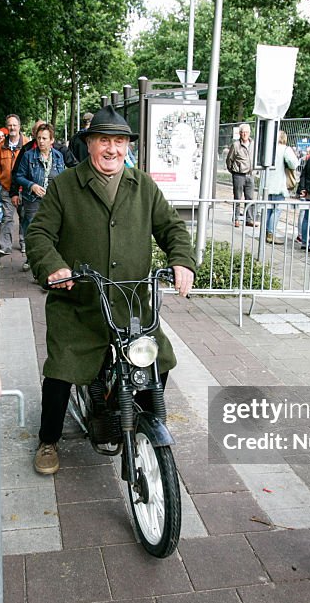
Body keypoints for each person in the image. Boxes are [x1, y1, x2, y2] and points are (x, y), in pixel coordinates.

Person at [24, 105, 196, 475]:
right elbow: (39, 234)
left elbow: (172, 228)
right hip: (79, 303)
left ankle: (139, 423)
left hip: (130, 303)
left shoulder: (143, 185)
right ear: (89, 144)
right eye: (104, 140)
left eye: (119, 141)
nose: (112, 149)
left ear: (127, 147)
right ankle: (48, 439)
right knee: (61, 372)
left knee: (158, 360)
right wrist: (54, 266)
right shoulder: (65, 185)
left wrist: (182, 259)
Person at [13, 122, 65, 273]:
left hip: (52, 200)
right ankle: (32, 260)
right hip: (32, 200)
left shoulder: (58, 156)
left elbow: (62, 176)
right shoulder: (29, 155)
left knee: (52, 230)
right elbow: (18, 176)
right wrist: (32, 186)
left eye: (44, 138)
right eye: (39, 138)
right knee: (32, 230)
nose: (41, 141)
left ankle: (49, 263)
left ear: (52, 140)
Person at [0, 114, 28, 256]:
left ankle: (25, 243)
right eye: (10, 125)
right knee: (7, 217)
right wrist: (1, 177)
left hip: (23, 188)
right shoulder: (1, 146)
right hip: (7, 188)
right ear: (7, 127)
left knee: (24, 216)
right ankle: (4, 246)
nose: (12, 127)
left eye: (14, 125)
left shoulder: (27, 144)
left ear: (19, 126)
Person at [263, 130, 299, 244]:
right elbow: (294, 163)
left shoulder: (269, 148)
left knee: (268, 209)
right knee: (277, 209)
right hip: (279, 183)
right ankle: (271, 233)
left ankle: (265, 232)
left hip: (267, 183)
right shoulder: (285, 149)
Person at [226, 123, 256, 227]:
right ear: (240, 133)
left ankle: (249, 219)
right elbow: (229, 160)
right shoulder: (235, 145)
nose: (244, 134)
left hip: (250, 174)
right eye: (242, 132)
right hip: (238, 174)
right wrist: (234, 171)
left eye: (246, 132)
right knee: (237, 198)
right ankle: (236, 219)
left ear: (249, 133)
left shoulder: (253, 144)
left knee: (250, 198)